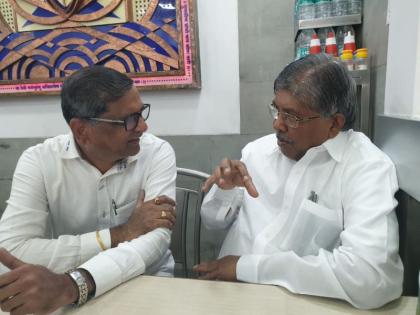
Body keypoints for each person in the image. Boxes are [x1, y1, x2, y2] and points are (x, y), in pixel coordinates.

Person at [193, 54, 403, 309]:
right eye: (276, 110)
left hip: (295, 304)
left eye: (292, 117)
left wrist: (246, 267)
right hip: (228, 296)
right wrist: (224, 191)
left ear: (334, 124)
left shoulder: (365, 168)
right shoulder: (257, 152)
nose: (277, 124)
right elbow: (213, 222)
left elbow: (371, 279)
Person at [0, 66, 177, 314]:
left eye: (141, 113)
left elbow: (156, 241)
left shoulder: (157, 152)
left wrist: (76, 284)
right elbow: (12, 250)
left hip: (145, 280)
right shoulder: (39, 161)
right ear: (82, 130)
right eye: (129, 119)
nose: (143, 127)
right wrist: (118, 234)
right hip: (59, 290)